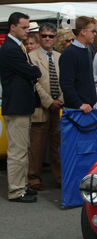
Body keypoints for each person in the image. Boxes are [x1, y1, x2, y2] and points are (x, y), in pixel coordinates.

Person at [0, 12, 42, 203]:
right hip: (16, 106)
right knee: (18, 151)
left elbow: (30, 71)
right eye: (24, 27)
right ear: (13, 27)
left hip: (20, 105)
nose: (27, 31)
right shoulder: (10, 48)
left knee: (22, 149)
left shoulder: (15, 47)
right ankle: (16, 191)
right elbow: (31, 70)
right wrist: (32, 70)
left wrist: (31, 71)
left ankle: (22, 186)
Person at [27, 22, 63, 192]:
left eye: (50, 36)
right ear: (39, 37)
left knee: (58, 147)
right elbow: (34, 83)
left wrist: (60, 100)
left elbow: (64, 81)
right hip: (40, 108)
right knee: (36, 147)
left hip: (58, 108)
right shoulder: (31, 57)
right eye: (44, 36)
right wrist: (49, 102)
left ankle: (60, 178)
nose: (47, 39)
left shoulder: (59, 56)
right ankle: (33, 178)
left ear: (55, 38)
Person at [59, 16, 97, 113]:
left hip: (87, 107)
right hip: (76, 109)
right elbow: (66, 83)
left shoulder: (85, 50)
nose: (95, 34)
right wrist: (79, 103)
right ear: (83, 32)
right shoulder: (70, 53)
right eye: (92, 31)